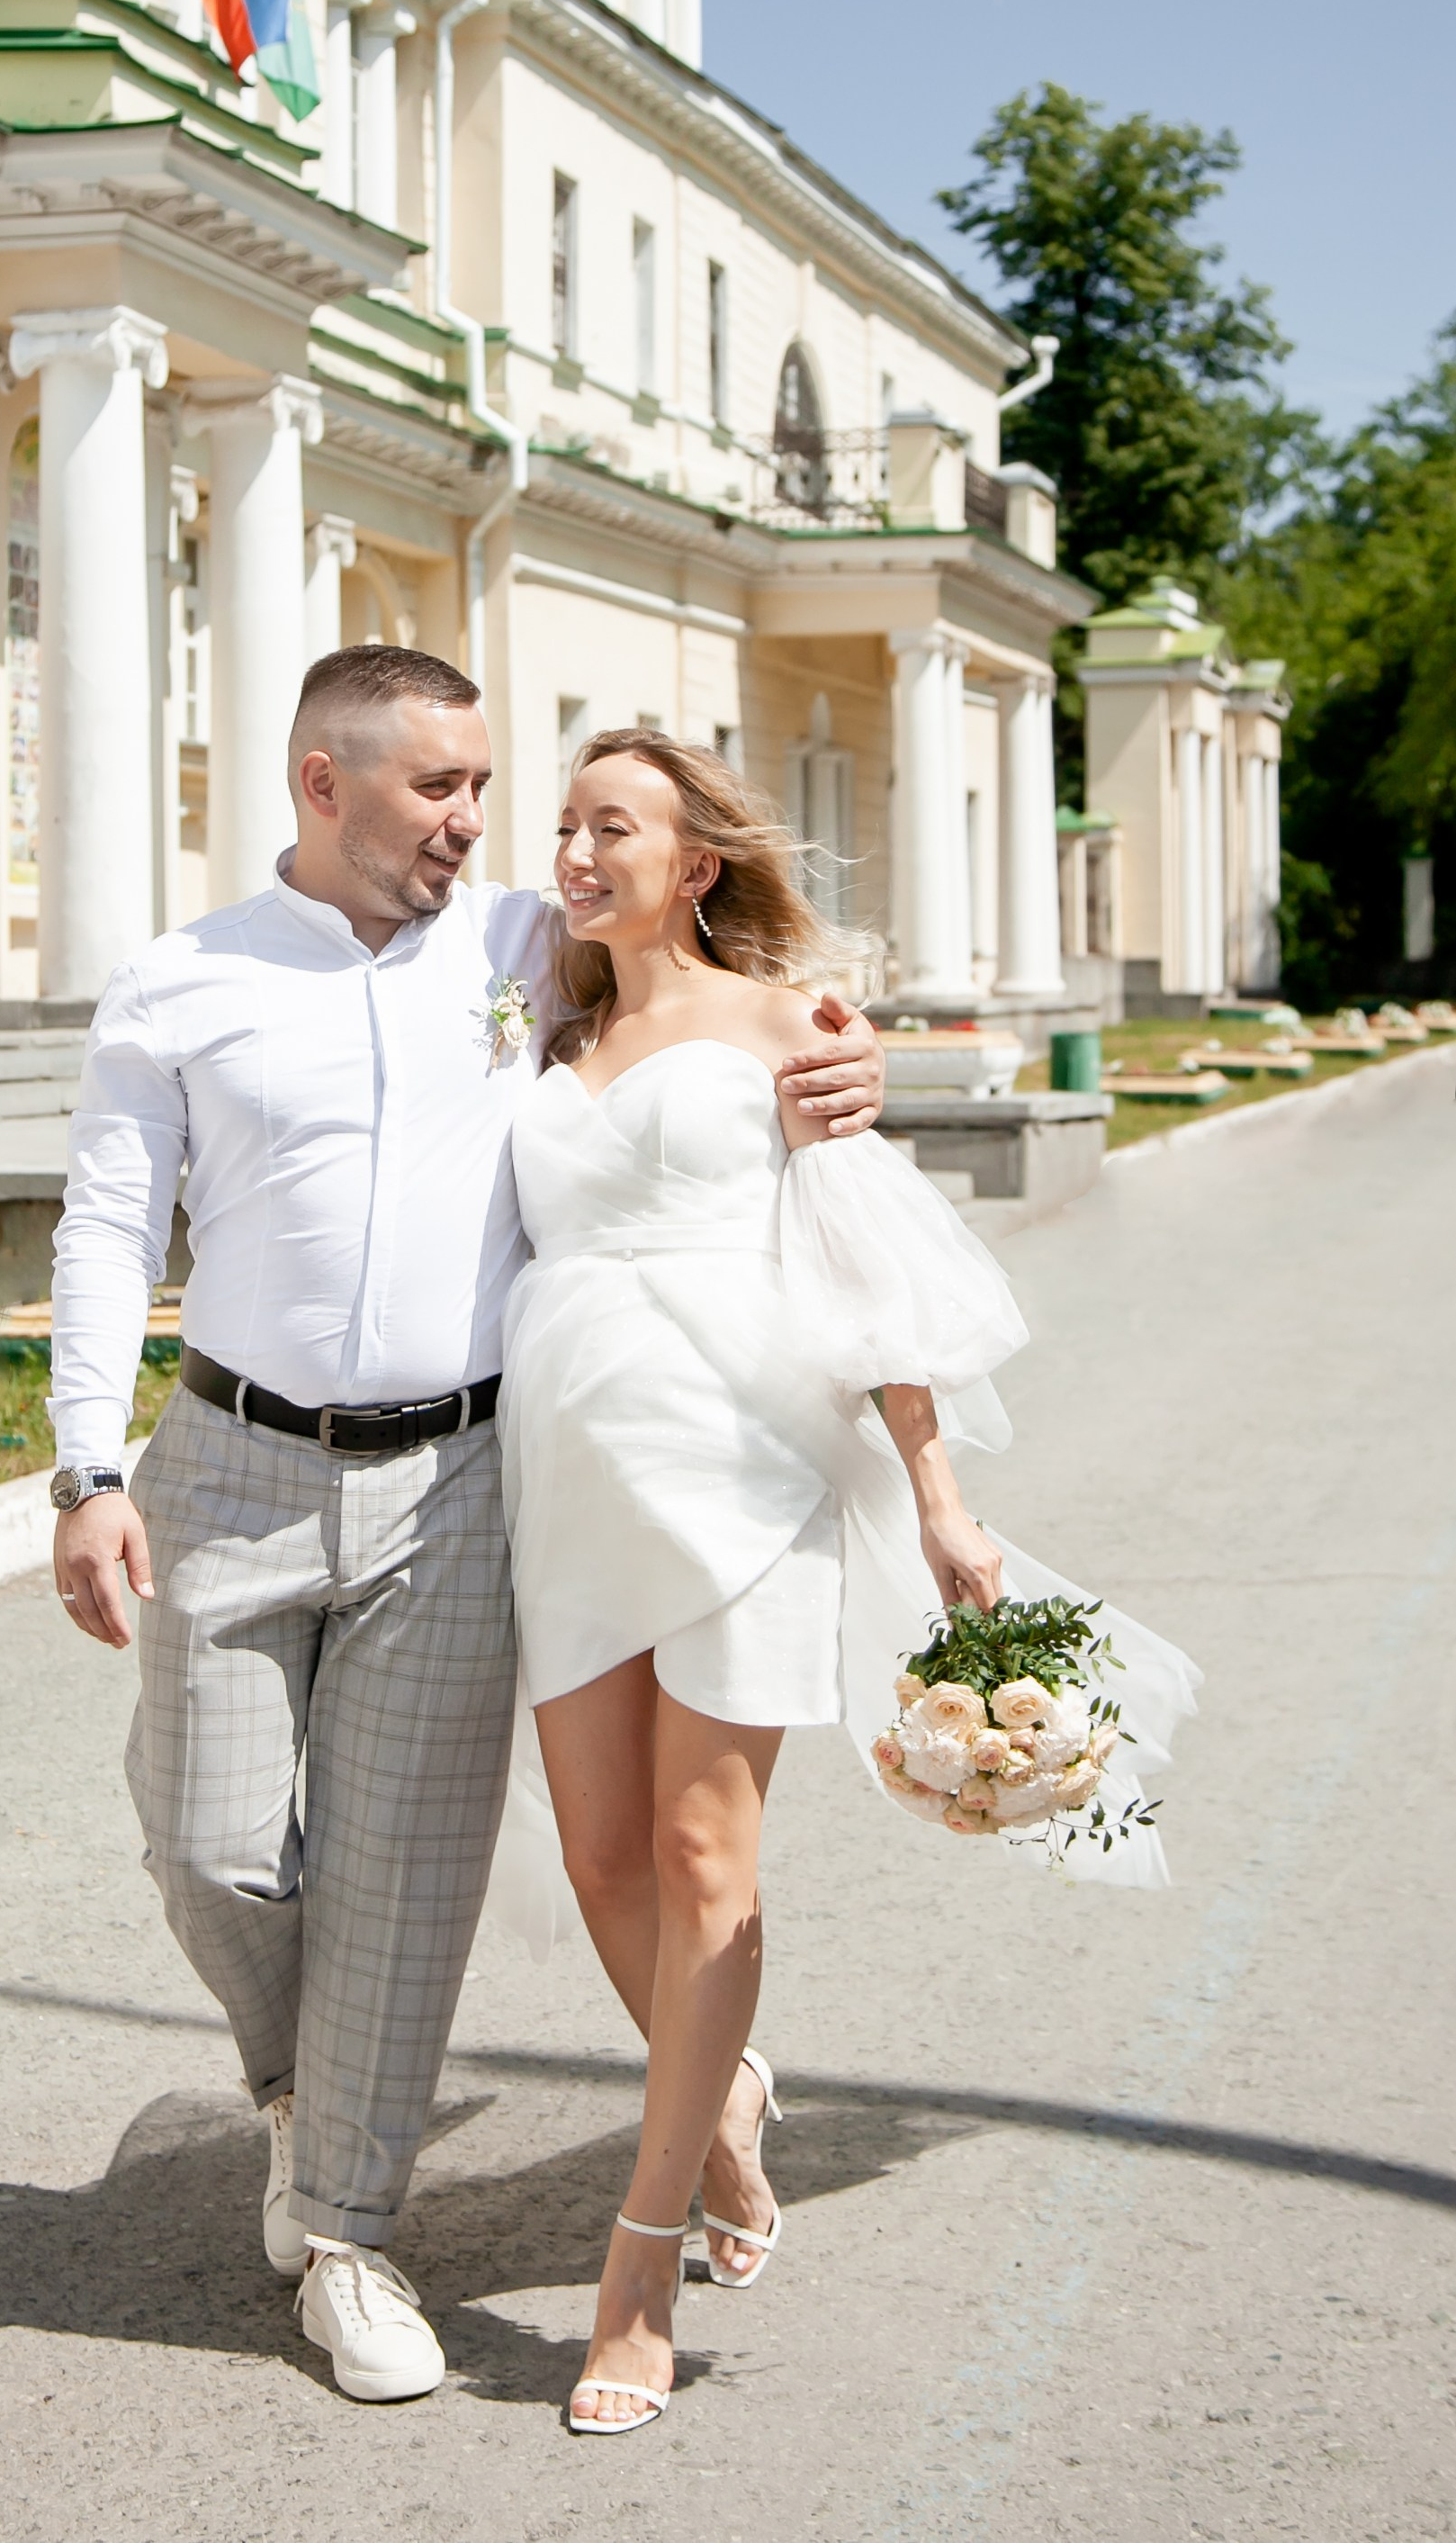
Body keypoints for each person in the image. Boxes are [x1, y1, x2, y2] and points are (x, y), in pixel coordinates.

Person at [48, 647, 888, 2405]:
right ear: (320, 783)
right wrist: (84, 1466)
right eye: (440, 788)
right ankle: (302, 2087)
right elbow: (109, 1223)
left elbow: (711, 966)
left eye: (483, 790)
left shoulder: (524, 943)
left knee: (400, 1889)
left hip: (466, 1484)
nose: (479, 824)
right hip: (228, 1460)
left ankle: (345, 2230)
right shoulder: (180, 981)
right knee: (210, 1846)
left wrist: (840, 1046)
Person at [499, 726, 1195, 2438]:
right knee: (597, 1863)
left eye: (616, 827)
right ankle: (718, 2102)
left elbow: (864, 1263)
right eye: (566, 823)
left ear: (697, 861)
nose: (578, 852)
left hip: (742, 1467)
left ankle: (641, 2261)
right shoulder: (538, 1016)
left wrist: (940, 1496)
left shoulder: (786, 1027)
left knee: (696, 1857)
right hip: (566, 1477)